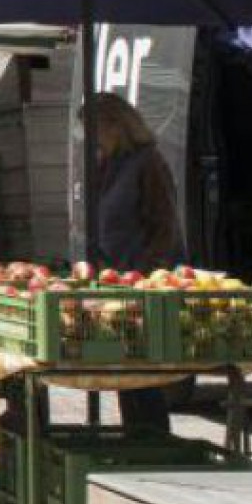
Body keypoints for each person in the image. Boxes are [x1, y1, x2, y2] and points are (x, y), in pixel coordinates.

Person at [87, 93, 186, 434]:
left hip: (142, 282)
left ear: (116, 125)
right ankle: (136, 435)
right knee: (122, 370)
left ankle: (154, 438)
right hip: (114, 281)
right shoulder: (108, 165)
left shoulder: (148, 163)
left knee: (141, 372)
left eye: (94, 129)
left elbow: (165, 225)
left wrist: (145, 272)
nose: (90, 139)